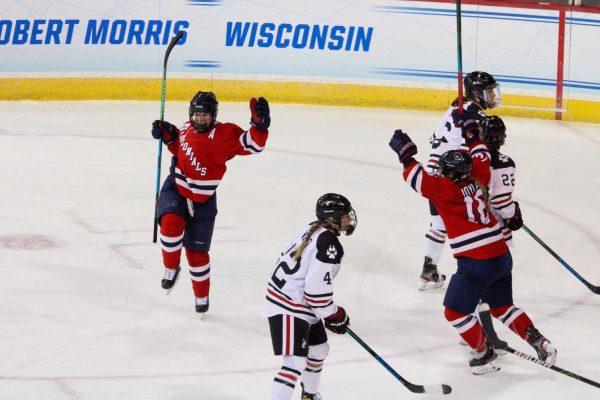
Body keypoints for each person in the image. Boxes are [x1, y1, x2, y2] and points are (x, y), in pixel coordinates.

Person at [388, 123, 556, 375]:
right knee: (502, 306)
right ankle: (539, 341)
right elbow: (481, 153)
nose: (441, 173)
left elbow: (416, 176)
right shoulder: (479, 174)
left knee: (454, 312)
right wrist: (472, 133)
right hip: (500, 254)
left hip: (476, 262)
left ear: (451, 174)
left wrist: (405, 154)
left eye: (444, 171)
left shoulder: (444, 189)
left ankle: (483, 352)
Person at [151, 91, 270, 314]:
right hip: (176, 187)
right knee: (170, 224)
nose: (199, 119)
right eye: (196, 115)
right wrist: (169, 136)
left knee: (197, 255)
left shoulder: (225, 134)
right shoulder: (186, 128)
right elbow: (180, 150)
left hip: (204, 200)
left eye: (204, 115)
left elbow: (253, 144)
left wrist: (259, 126)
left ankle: (201, 295)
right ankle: (171, 267)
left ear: (213, 115)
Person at [264, 193, 357, 400]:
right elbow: (315, 291)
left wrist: (328, 313)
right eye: (344, 216)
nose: (349, 220)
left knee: (319, 350)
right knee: (294, 363)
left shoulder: (313, 228)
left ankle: (309, 395)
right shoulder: (330, 245)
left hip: (296, 301)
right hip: (289, 304)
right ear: (332, 218)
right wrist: (333, 313)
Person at [420, 71, 501, 290]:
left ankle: (429, 268)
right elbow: (480, 150)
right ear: (477, 93)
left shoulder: (457, 107)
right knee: (477, 222)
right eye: (489, 92)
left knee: (440, 222)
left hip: (435, 174)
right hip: (452, 175)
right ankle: (480, 271)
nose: (493, 96)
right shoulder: (474, 114)